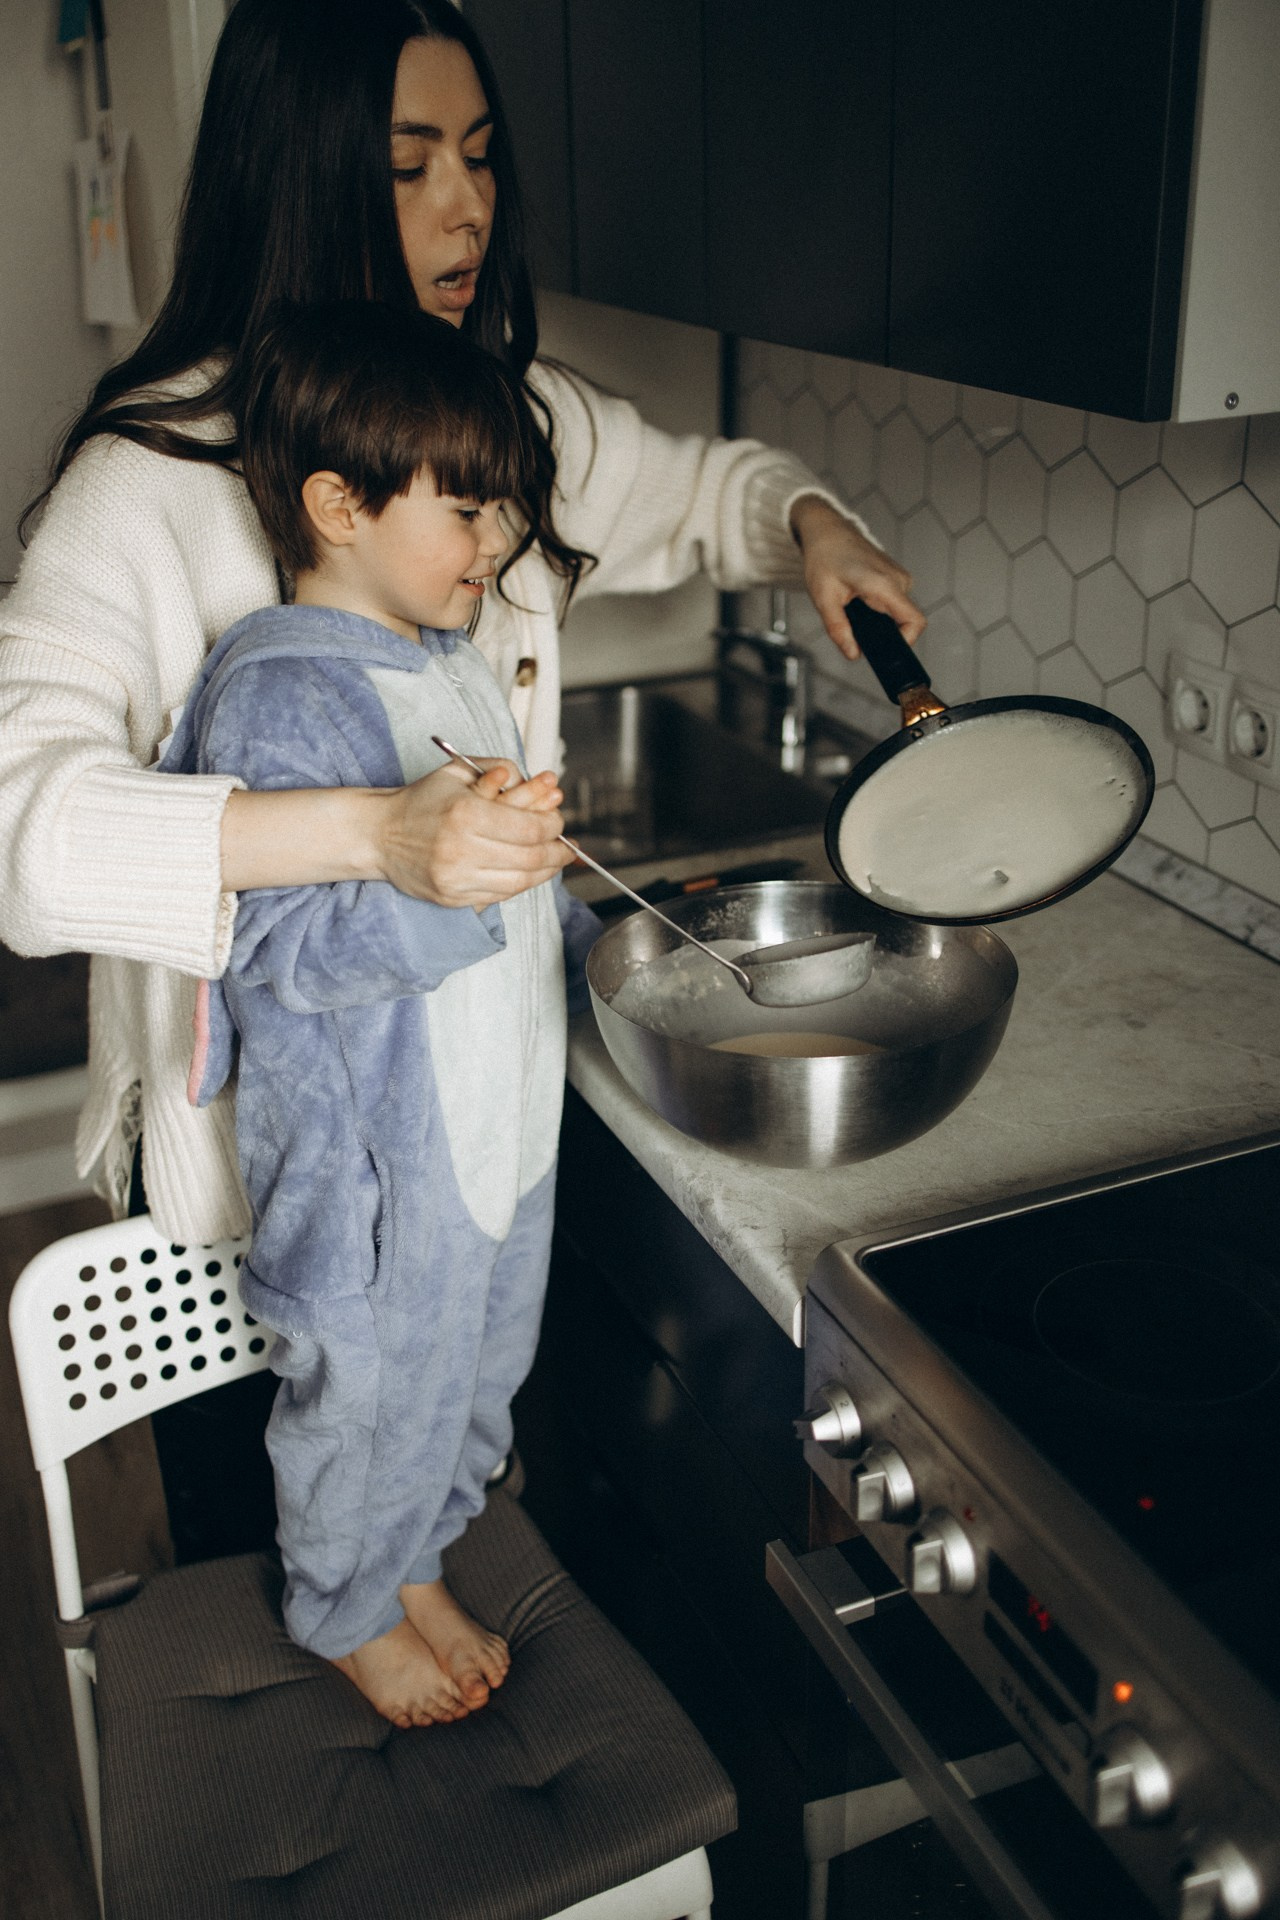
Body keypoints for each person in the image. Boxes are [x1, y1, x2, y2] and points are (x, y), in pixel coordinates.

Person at [0, 0, 920, 1250]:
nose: (468, 205)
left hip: (482, 1146)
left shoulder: (508, 425)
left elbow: (710, 491)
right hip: (247, 1205)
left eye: (480, 156)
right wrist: (378, 833)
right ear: (299, 181)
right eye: (409, 165)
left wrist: (810, 524)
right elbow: (24, 835)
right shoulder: (150, 483)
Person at [160, 298, 598, 1727]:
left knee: (475, 1374)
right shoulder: (282, 692)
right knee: (368, 1397)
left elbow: (510, 887)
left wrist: (584, 937)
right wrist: (446, 888)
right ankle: (346, 1603)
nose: (496, 543)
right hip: (377, 1178)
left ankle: (414, 1557)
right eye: (465, 511)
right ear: (337, 506)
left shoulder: (448, 656)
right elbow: (275, 946)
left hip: (496, 1131)